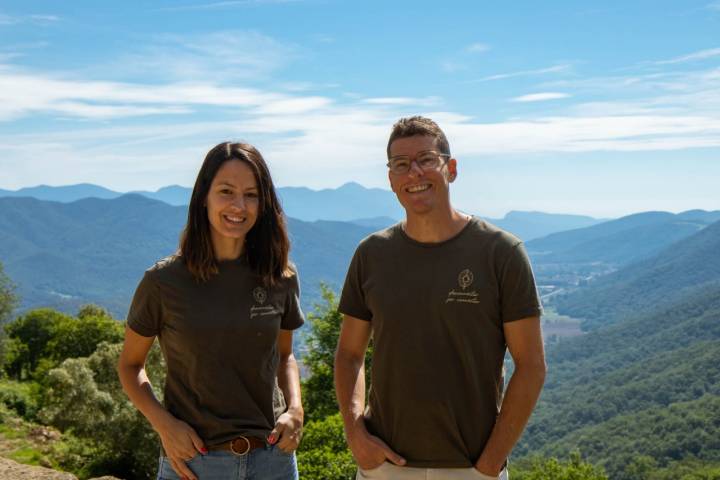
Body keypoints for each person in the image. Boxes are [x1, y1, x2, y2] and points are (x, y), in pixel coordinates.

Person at [334, 116, 546, 480]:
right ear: (391, 179)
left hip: (471, 468)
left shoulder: (501, 253)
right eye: (401, 164)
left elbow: (531, 366)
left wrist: (490, 464)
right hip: (384, 466)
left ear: (451, 168)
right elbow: (349, 354)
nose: (414, 173)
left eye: (426, 159)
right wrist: (355, 433)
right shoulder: (371, 254)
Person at [118, 142, 304, 480]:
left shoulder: (280, 276)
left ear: (263, 205)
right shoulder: (163, 281)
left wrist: (295, 408)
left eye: (251, 194)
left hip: (273, 461)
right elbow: (130, 366)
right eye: (226, 191)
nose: (239, 205)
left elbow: (285, 354)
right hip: (193, 463)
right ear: (204, 195)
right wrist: (165, 425)